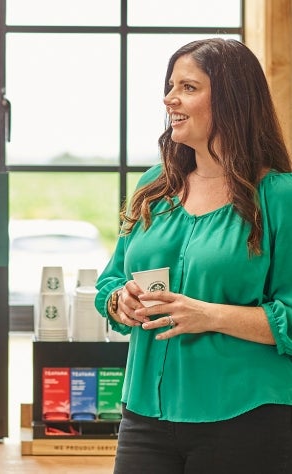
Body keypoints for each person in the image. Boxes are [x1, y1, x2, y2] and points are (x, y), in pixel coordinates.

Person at [95, 38, 292, 474]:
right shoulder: (154, 186)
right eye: (170, 86)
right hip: (145, 414)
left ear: (231, 100)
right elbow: (110, 280)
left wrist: (210, 315)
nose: (169, 99)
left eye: (187, 87)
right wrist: (118, 302)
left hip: (247, 418)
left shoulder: (280, 197)